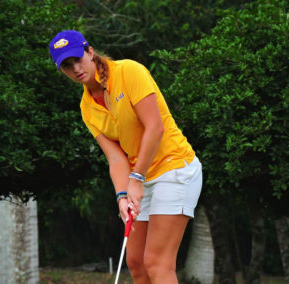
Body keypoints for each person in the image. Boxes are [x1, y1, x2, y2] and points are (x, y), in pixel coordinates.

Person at [49, 30, 202, 283]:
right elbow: (116, 158)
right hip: (139, 178)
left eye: (77, 58)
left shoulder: (129, 72)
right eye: (67, 65)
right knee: (136, 262)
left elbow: (155, 128)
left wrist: (137, 178)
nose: (75, 68)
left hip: (174, 168)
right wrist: (122, 195)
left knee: (157, 264)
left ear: (89, 51)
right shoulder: (87, 108)